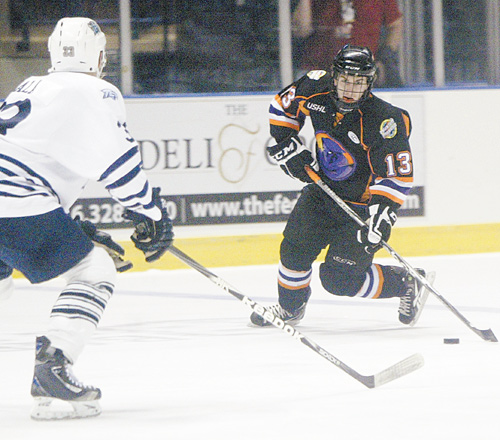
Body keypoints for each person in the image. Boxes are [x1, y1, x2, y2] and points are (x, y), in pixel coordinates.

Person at [0, 17, 173, 420]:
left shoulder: (30, 86)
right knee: (93, 270)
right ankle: (54, 366)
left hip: (13, 202)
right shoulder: (97, 90)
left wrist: (70, 224)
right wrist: (151, 213)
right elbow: (119, 164)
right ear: (98, 56)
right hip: (15, 205)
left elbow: (29, 161)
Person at [250, 45, 431, 328]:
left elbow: (396, 176)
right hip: (323, 192)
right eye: (345, 80)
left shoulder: (385, 120)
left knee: (338, 279)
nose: (350, 89)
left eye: (358, 83)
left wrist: (382, 215)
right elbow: (281, 107)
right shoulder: (314, 86)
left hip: (361, 209)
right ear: (334, 77)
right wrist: (288, 145)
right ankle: (290, 309)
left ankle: (406, 282)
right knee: (293, 250)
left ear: (369, 83)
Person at [293, 0, 403, 87]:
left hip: (361, 74)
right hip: (320, 70)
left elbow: (395, 25)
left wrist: (384, 58)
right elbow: (301, 30)